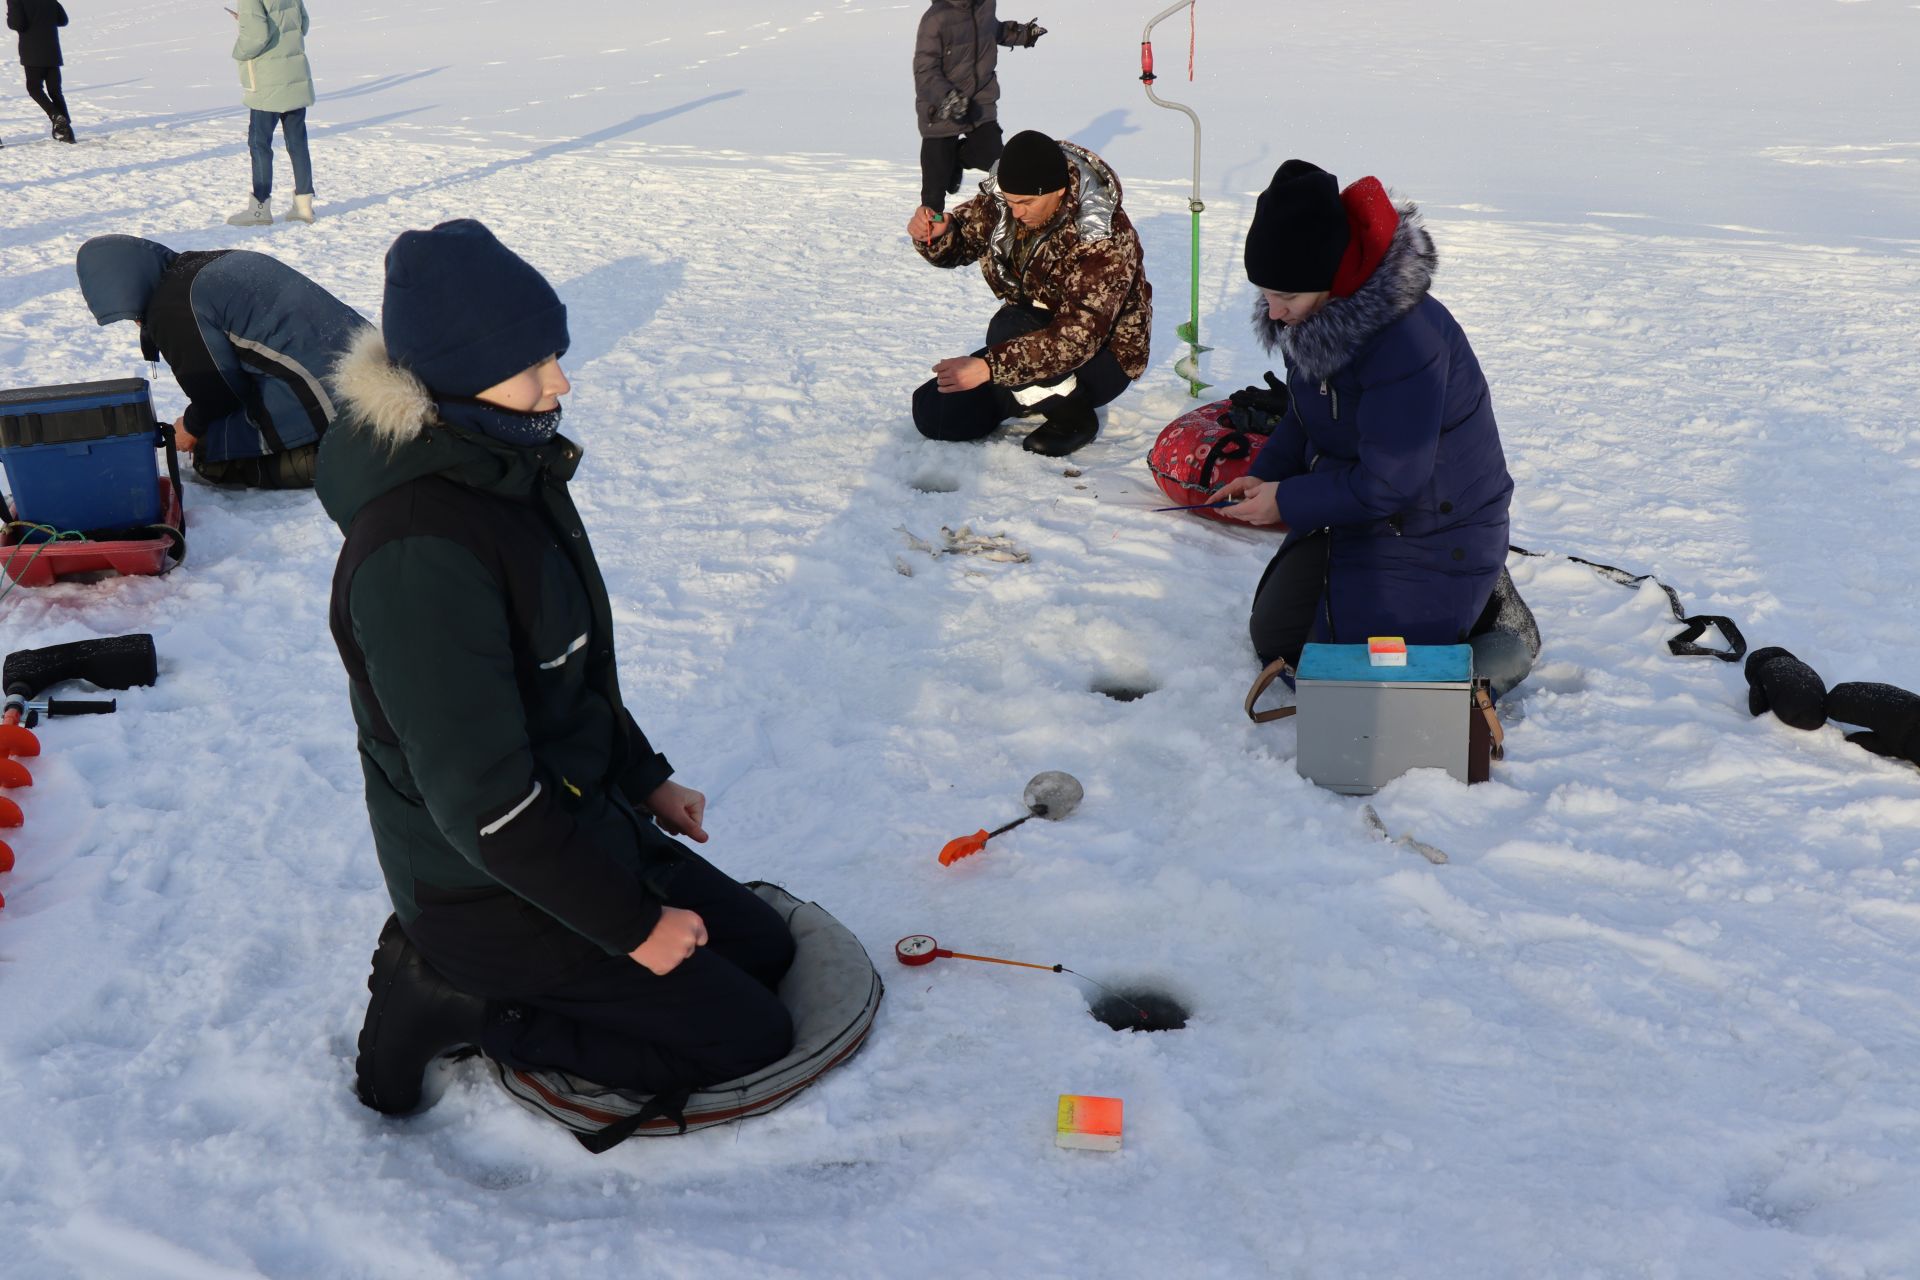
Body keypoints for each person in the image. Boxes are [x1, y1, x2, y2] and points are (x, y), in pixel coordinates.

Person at [319, 220, 796, 1116]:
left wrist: (643, 778)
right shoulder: (422, 555)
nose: (560, 380)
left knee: (765, 953)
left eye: (554, 353)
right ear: (454, 375)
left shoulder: (502, 463)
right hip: (485, 887)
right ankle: (459, 1001)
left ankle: (591, 929)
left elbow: (566, 675)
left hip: (577, 818)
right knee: (746, 1035)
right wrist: (633, 927)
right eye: (532, 362)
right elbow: (485, 803)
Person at [1218, 160, 1537, 698]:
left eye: (1285, 298)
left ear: (1330, 280)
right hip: (1363, 510)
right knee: (1279, 641)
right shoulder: (1313, 315)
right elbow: (1304, 413)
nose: (1273, 313)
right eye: (1266, 295)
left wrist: (1287, 502)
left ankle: (1498, 622)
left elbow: (1393, 482)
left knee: (1368, 683)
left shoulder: (1406, 340)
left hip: (1434, 523)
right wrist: (1266, 476)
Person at [907, 130, 1151, 456]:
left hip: (1103, 358)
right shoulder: (1009, 200)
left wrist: (991, 368)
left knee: (1007, 326)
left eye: (1025, 203)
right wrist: (938, 234)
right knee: (935, 412)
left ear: (1059, 191)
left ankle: (1073, 417)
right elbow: (964, 241)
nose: (1016, 212)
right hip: (1031, 335)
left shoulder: (1101, 236)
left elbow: (1077, 338)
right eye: (1009, 201)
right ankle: (1031, 392)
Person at [74, 234, 366, 489]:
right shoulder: (211, 262)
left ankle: (336, 461)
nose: (136, 322)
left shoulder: (173, 307)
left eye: (129, 314)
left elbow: (219, 395)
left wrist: (190, 427)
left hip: (328, 395)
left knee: (211, 455)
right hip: (369, 370)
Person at [912, 1, 1044, 214]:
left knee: (993, 159)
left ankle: (957, 157)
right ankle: (931, 237)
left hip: (980, 101)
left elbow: (993, 30)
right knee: (933, 193)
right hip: (942, 109)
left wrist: (1023, 34)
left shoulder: (985, 5)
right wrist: (947, 97)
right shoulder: (935, 19)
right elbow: (924, 71)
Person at [227, 0, 316, 226]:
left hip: (267, 79)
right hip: (294, 75)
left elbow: (256, 37)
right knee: (297, 141)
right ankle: (304, 207)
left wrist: (239, 50)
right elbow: (302, 24)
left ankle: (260, 209)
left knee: (259, 143)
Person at [7, 0, 73, 143]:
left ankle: (55, 115)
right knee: (55, 91)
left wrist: (11, 9)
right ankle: (67, 134)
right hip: (52, 51)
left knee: (34, 88)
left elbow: (17, 24)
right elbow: (63, 20)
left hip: (33, 53)